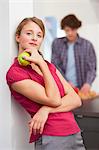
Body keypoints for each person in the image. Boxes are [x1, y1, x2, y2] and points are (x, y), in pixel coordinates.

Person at [6, 17, 86, 150]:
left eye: (39, 35)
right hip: (51, 135)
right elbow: (54, 99)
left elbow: (76, 100)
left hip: (74, 132)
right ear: (18, 37)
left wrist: (45, 110)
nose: (34, 38)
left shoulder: (49, 67)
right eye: (29, 33)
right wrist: (42, 63)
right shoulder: (15, 73)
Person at [51, 14, 97, 95]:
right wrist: (67, 82)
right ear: (64, 29)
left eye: (73, 30)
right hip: (63, 87)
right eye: (67, 30)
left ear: (77, 28)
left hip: (82, 90)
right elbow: (55, 66)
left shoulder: (87, 45)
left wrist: (87, 84)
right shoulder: (57, 43)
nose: (70, 33)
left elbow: (92, 68)